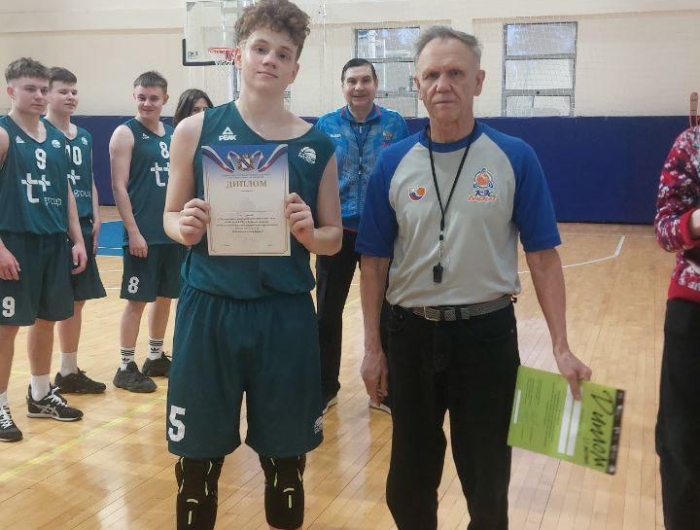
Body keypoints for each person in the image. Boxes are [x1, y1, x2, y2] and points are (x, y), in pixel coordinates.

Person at [356, 27, 592, 530]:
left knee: (488, 488)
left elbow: (543, 257)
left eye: (455, 73)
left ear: (479, 81)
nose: (443, 84)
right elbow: (373, 263)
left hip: (486, 338)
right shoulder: (392, 163)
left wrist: (562, 346)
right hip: (410, 336)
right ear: (417, 86)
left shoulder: (515, 157)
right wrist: (373, 348)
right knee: (407, 485)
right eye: (431, 75)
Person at [164, 1, 342, 528]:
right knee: (196, 469)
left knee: (286, 469)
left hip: (284, 313)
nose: (270, 60)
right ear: (238, 54)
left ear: (295, 69)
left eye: (282, 54)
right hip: (209, 308)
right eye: (260, 48)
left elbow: (333, 238)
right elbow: (169, 217)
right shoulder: (194, 130)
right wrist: (184, 225)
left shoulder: (317, 145)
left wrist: (309, 233)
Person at [314, 58, 409, 414]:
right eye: (351, 81)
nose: (358, 87)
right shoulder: (325, 125)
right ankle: (325, 387)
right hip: (336, 233)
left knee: (386, 313)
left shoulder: (395, 124)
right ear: (343, 86)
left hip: (381, 233)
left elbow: (407, 175)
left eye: (365, 80)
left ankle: (384, 391)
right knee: (327, 313)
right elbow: (314, 176)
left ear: (375, 84)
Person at [0, 57, 87, 443]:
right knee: (6, 328)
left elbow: (64, 190)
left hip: (52, 242)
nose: (38, 95)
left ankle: (39, 395)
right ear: (11, 91)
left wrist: (77, 238)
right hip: (15, 242)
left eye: (42, 89)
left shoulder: (54, 136)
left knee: (46, 320)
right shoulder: (4, 134)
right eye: (29, 89)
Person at [109, 71, 182, 393]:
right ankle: (125, 365)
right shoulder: (125, 134)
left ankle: (155, 356)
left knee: (165, 297)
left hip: (169, 233)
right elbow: (118, 186)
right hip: (143, 234)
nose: (147, 103)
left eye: (153, 98)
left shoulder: (173, 135)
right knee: (137, 301)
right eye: (141, 97)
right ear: (134, 97)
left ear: (165, 99)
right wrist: (133, 231)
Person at [45, 66, 107, 394]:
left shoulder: (83, 136)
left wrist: (96, 216)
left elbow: (88, 178)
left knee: (78, 300)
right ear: (47, 94)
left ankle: (68, 371)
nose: (70, 96)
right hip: (54, 226)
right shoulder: (40, 133)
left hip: (83, 223)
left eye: (74, 91)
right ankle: (41, 382)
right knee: (51, 305)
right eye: (63, 91)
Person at [654, 123, 700, 530]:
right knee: (681, 443)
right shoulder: (691, 145)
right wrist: (696, 221)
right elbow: (665, 230)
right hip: (692, 314)